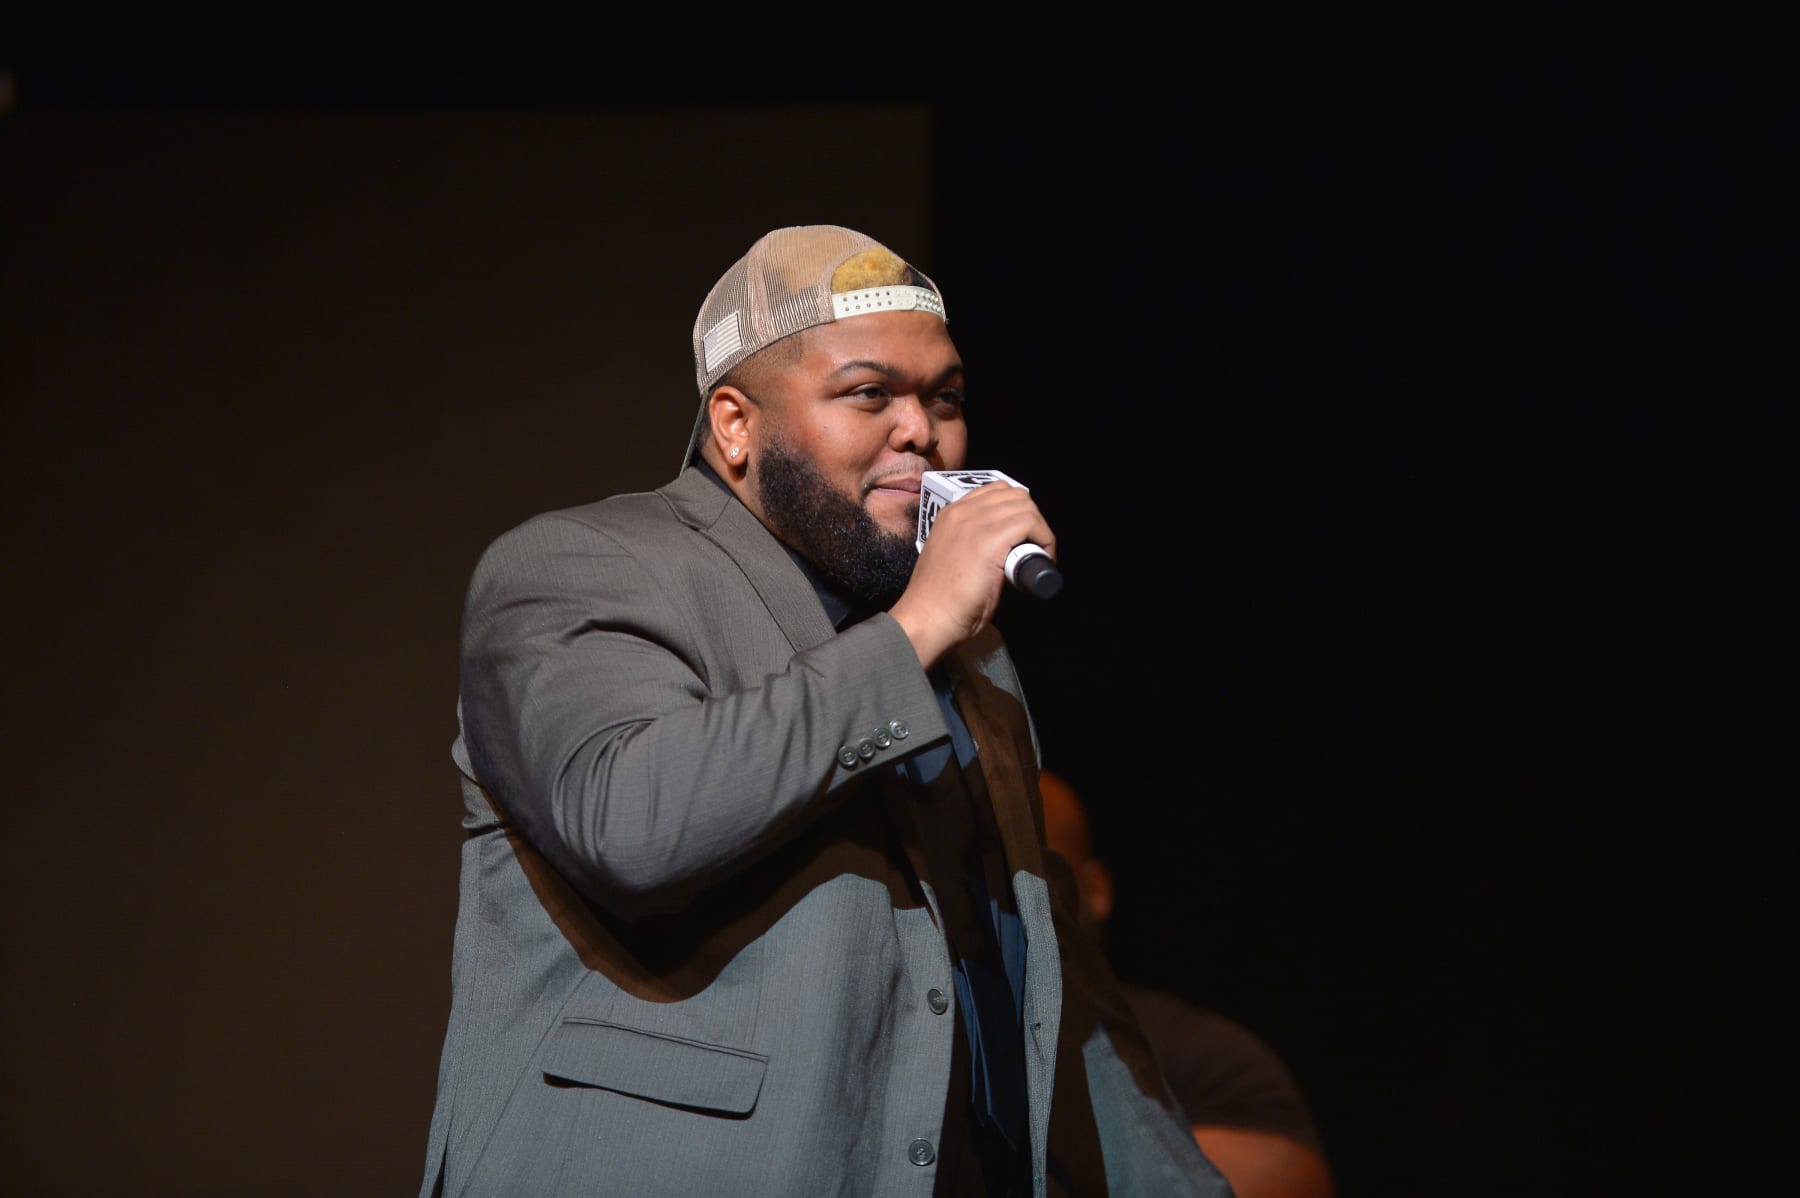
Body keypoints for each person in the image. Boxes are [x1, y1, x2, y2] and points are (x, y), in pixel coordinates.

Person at [417, 224, 1231, 1197]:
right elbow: (631, 823)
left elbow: (1048, 979)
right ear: (734, 425)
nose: (921, 430)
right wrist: (920, 625)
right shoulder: (587, 565)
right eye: (869, 393)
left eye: (945, 397)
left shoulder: (971, 659)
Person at [1038, 768, 1336, 1198]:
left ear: (1095, 888)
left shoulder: (1206, 1063)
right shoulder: (916, 1047)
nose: (1002, 900)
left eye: (1032, 868)